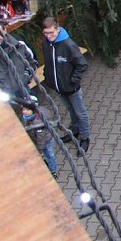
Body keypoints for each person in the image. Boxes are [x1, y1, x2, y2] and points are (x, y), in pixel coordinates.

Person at [41, 17, 90, 151]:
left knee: (81, 113)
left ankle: (85, 137)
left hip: (71, 88)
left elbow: (82, 65)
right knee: (71, 111)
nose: (49, 36)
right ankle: (74, 131)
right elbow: (48, 62)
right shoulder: (46, 44)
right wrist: (48, 76)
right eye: (46, 33)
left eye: (51, 33)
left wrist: (72, 81)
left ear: (58, 29)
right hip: (59, 88)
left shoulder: (68, 45)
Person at [0, 23, 36, 96]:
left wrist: (27, 76)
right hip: (5, 96)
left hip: (24, 89)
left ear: (5, 30)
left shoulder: (19, 45)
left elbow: (32, 62)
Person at [18, 103, 57, 175]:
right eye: (23, 109)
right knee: (46, 154)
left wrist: (39, 149)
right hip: (38, 140)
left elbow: (41, 138)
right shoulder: (27, 117)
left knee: (49, 155)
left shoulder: (37, 122)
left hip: (46, 140)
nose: (24, 111)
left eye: (27, 109)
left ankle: (53, 171)